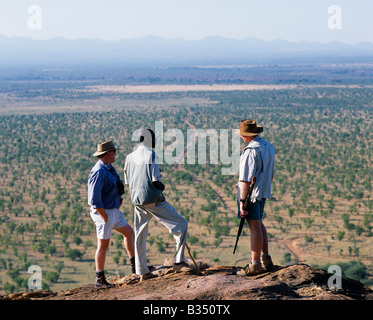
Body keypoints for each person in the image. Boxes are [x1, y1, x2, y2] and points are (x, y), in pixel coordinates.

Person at [124, 128, 191, 281]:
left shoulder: (129, 157)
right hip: (152, 199)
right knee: (181, 224)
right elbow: (155, 180)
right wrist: (161, 187)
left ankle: (142, 271)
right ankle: (179, 262)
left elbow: (128, 181)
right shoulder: (151, 154)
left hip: (136, 200)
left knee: (140, 234)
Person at [88, 140, 135, 288]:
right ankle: (99, 279)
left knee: (129, 233)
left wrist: (118, 202)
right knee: (103, 245)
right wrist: (104, 216)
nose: (115, 154)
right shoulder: (99, 171)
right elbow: (94, 200)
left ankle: (135, 267)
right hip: (104, 212)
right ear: (108, 153)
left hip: (113, 210)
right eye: (114, 152)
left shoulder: (109, 168)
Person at [236, 120, 275, 276]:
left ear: (246, 135)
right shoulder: (268, 146)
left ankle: (255, 264)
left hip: (251, 195)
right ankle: (266, 258)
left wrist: (241, 201)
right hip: (263, 190)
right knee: (259, 224)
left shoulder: (250, 151)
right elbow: (270, 173)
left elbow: (245, 179)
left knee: (254, 227)